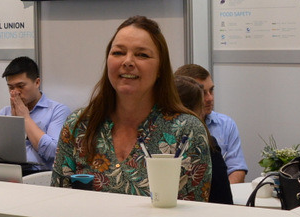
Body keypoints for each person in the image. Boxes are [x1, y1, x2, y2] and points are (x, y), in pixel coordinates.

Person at [52, 16, 210, 200]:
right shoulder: (79, 125)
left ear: (160, 68)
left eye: (142, 55)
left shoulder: (187, 131)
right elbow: (57, 201)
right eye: (118, 53)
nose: (127, 61)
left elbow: (193, 211)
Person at [174, 63, 247, 183]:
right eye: (203, 93)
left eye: (211, 90)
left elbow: (237, 169)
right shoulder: (168, 128)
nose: (210, 98)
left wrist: (224, 192)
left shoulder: (225, 124)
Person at [0, 56, 71, 170]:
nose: (15, 92)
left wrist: (25, 119)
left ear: (37, 82)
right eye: (11, 87)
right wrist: (13, 123)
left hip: (39, 175)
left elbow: (54, 153)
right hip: (8, 172)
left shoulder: (57, 111)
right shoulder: (5, 112)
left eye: (20, 86)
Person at [174, 76, 233, 205]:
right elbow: (223, 199)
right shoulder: (205, 143)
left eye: (211, 91)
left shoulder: (150, 138)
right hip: (203, 214)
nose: (210, 99)